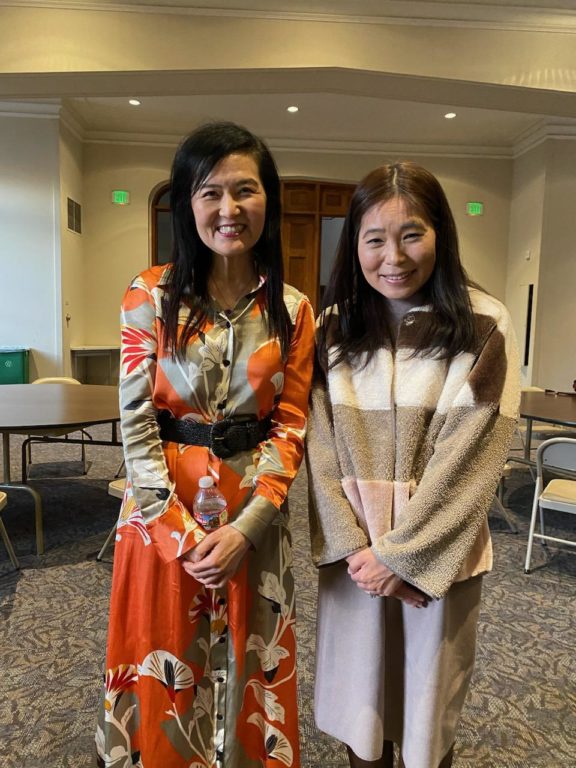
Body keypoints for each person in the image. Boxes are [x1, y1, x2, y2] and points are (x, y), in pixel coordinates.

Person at [96, 121, 315, 768]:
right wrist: (178, 533)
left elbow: (292, 424)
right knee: (165, 661)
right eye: (210, 192)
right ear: (187, 203)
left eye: (245, 190)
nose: (229, 209)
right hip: (160, 510)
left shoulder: (293, 309)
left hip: (254, 513)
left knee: (250, 658)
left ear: (268, 199)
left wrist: (248, 528)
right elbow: (136, 421)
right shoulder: (149, 294)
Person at [306, 162, 520, 768]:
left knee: (428, 719)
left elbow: (473, 457)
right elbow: (319, 446)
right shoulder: (335, 324)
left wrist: (401, 558)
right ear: (354, 245)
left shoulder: (484, 322)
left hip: (437, 558)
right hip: (355, 562)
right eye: (374, 239)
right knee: (362, 715)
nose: (393, 257)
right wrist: (358, 551)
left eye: (411, 235)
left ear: (440, 234)